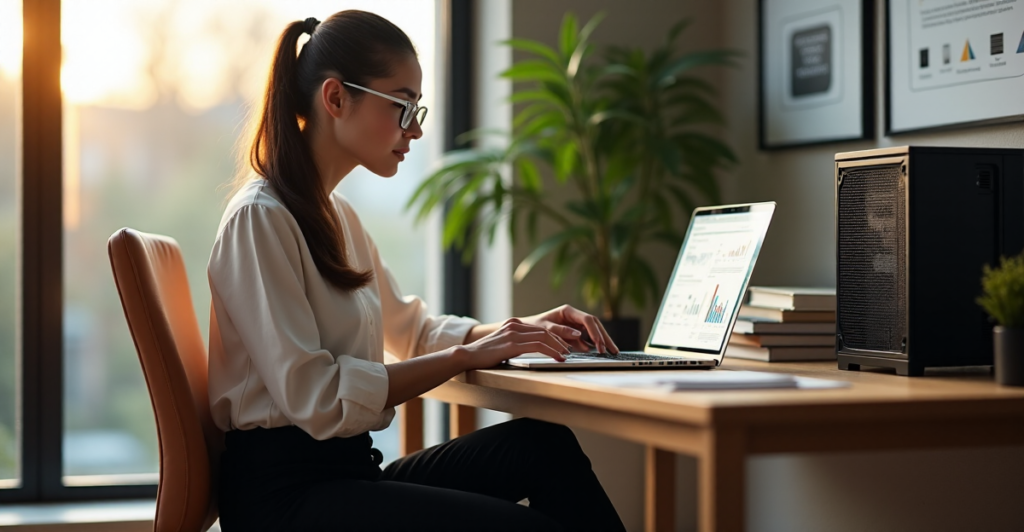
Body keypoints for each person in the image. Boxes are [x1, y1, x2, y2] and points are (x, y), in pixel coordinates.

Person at [207, 10, 626, 532]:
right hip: (285, 501)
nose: (417, 128)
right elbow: (316, 397)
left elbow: (414, 332)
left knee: (543, 446)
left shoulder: (337, 216)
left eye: (418, 108)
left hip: (348, 474)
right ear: (335, 98)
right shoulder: (259, 219)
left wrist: (514, 332)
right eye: (402, 106)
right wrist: (465, 356)